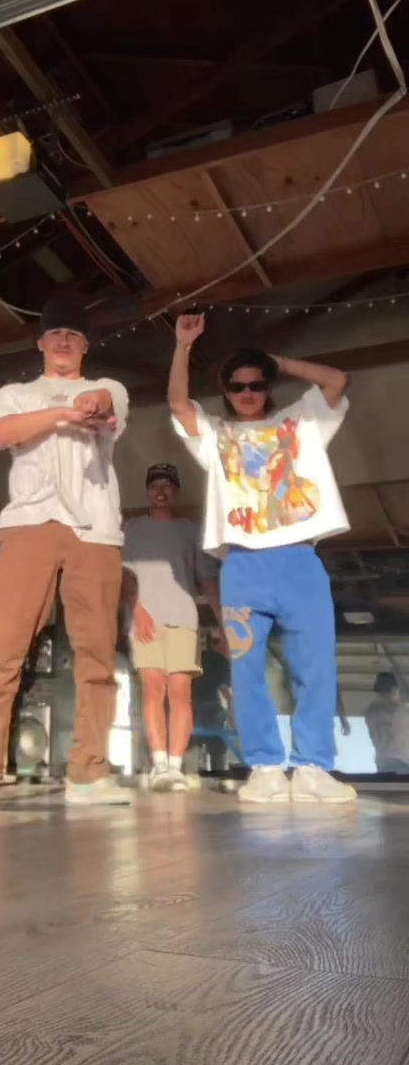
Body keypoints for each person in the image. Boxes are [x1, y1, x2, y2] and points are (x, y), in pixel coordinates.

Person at [0, 294, 130, 805]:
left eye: (74, 334)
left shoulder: (108, 386)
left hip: (95, 529)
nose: (64, 341)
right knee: (1, 646)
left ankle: (89, 772)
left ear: (85, 345)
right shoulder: (14, 393)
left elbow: (107, 404)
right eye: (55, 333)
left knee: (97, 654)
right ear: (41, 342)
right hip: (28, 524)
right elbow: (1, 434)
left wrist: (90, 405)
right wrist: (63, 413)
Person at [169, 315, 356, 804]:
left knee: (315, 668)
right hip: (243, 564)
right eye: (237, 386)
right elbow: (178, 404)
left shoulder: (300, 422)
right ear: (226, 392)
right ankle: (266, 767)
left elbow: (336, 380)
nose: (248, 392)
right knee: (246, 670)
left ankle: (313, 767)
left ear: (268, 386)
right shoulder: (215, 435)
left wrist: (280, 362)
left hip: (300, 560)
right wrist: (183, 347)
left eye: (256, 383)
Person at [122, 462, 223, 791]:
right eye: (155, 486)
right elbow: (124, 576)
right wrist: (137, 610)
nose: (161, 491)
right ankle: (160, 765)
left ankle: (176, 767)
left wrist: (225, 622)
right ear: (147, 492)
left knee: (181, 692)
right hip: (145, 618)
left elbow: (208, 579)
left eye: (167, 486)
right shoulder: (133, 528)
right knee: (153, 687)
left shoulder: (191, 531)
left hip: (183, 617)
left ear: (176, 492)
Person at [184, 630, 233, 780]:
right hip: (212, 707)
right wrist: (232, 707)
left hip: (190, 705)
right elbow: (224, 689)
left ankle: (188, 775)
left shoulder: (192, 658)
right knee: (217, 744)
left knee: (190, 744)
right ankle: (219, 775)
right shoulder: (221, 661)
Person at [365, 672, 409, 774]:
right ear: (394, 691)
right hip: (401, 763)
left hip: (382, 763)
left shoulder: (371, 713)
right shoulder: (399, 712)